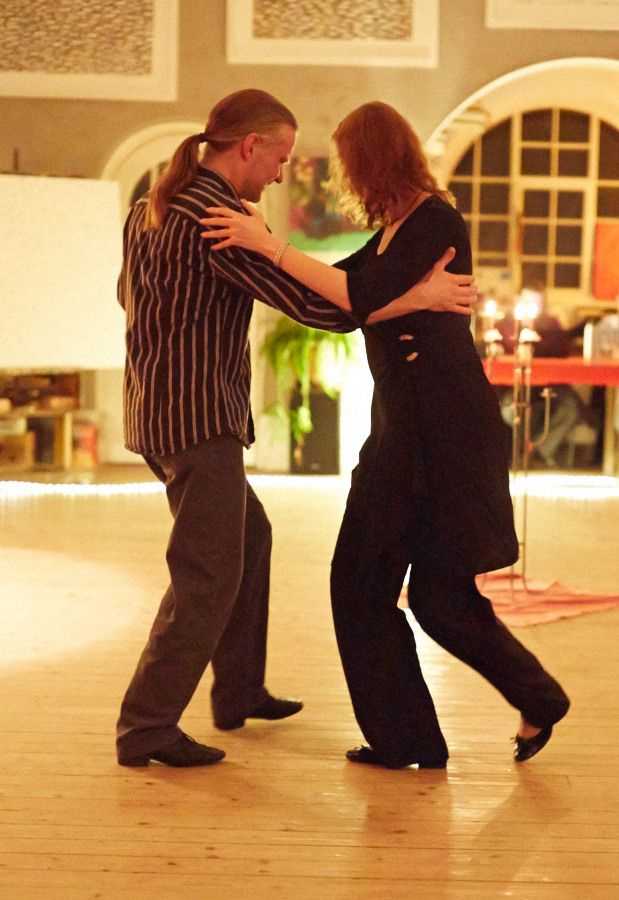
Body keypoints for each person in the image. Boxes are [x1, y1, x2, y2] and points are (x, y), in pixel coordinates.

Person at [201, 100, 570, 769]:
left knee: (431, 597)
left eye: (348, 163)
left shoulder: (435, 220)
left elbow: (357, 296)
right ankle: (415, 738)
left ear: (373, 160)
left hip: (446, 433)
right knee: (374, 586)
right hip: (401, 432)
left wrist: (269, 244)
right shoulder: (394, 231)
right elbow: (345, 296)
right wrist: (411, 298)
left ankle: (522, 704)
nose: (344, 177)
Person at [115, 90, 476, 768]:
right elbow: (324, 310)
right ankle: (146, 727)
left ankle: (238, 690)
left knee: (251, 537)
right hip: (198, 419)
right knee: (207, 575)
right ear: (249, 147)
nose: (281, 173)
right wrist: (419, 296)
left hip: (156, 410)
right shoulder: (216, 218)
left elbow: (125, 295)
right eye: (279, 157)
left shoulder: (152, 205)